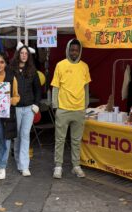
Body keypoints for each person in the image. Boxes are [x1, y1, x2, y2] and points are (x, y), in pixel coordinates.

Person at [51, 38, 91, 179]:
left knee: (76, 140)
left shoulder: (84, 67)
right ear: (68, 50)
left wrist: (85, 105)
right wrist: (55, 106)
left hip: (79, 109)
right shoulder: (60, 65)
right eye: (72, 49)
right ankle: (58, 166)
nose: (74, 52)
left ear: (80, 51)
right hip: (63, 109)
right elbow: (55, 87)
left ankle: (76, 166)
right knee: (60, 140)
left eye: (76, 50)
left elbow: (86, 88)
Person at [10, 42, 42, 177]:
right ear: (18, 55)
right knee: (16, 136)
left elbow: (38, 89)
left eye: (26, 54)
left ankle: (24, 165)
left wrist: (36, 104)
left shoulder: (33, 71)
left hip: (29, 108)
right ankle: (18, 161)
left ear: (28, 56)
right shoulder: (11, 70)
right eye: (22, 53)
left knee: (25, 135)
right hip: (16, 107)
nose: (24, 56)